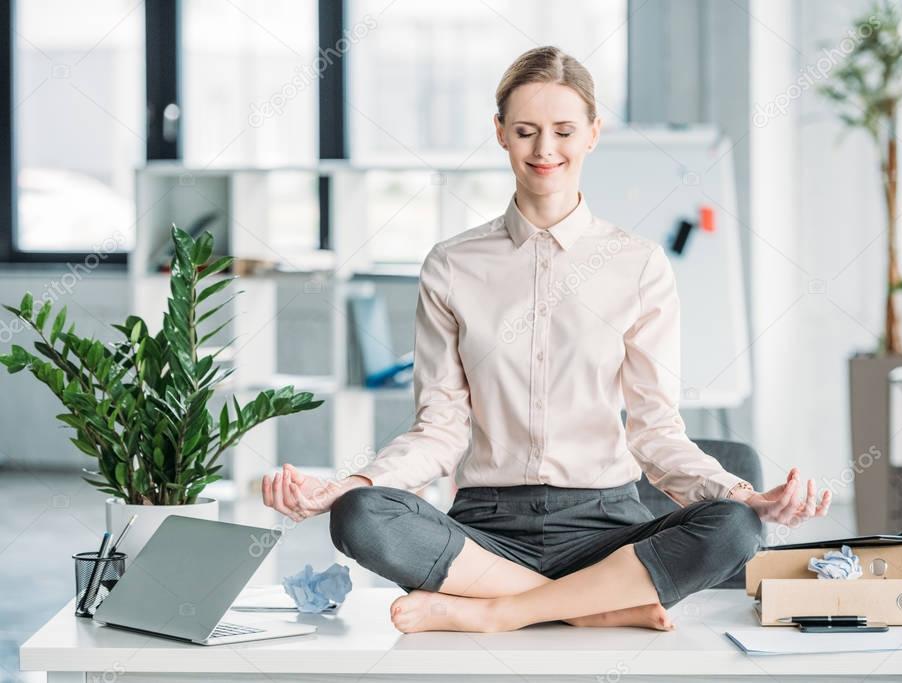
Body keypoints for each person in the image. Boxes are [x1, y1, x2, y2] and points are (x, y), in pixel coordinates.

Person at [262, 45, 831, 634]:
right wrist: (350, 485)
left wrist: (744, 494)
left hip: (606, 527)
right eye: (526, 131)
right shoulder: (451, 265)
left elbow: (655, 431)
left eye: (563, 130)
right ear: (501, 134)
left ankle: (500, 614)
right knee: (361, 516)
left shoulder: (638, 265)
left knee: (736, 528)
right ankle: (593, 607)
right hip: (483, 534)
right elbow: (438, 429)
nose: (544, 150)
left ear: (592, 133)